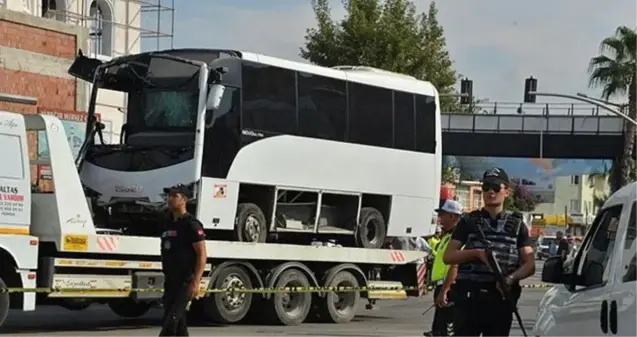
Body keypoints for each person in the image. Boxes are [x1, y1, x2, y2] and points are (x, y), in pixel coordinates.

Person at [443, 168, 535, 337]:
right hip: (469, 299)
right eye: (486, 187)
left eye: (495, 187)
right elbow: (449, 256)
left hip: (500, 299)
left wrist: (510, 279)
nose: (490, 191)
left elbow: (529, 264)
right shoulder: (468, 221)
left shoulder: (516, 226)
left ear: (506, 192)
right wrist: (476, 253)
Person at [160, 184, 208, 337]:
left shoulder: (191, 225)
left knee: (171, 322)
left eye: (175, 196)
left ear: (184, 200)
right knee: (179, 325)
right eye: (169, 196)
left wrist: (196, 282)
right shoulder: (168, 223)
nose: (170, 199)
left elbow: (202, 254)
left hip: (184, 282)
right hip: (170, 280)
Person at [424, 199, 463, 337]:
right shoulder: (447, 237)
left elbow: (455, 266)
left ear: (452, 216)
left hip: (449, 288)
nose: (440, 219)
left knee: (445, 330)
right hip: (442, 286)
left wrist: (445, 290)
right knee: (438, 329)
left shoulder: (457, 238)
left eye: (443, 215)